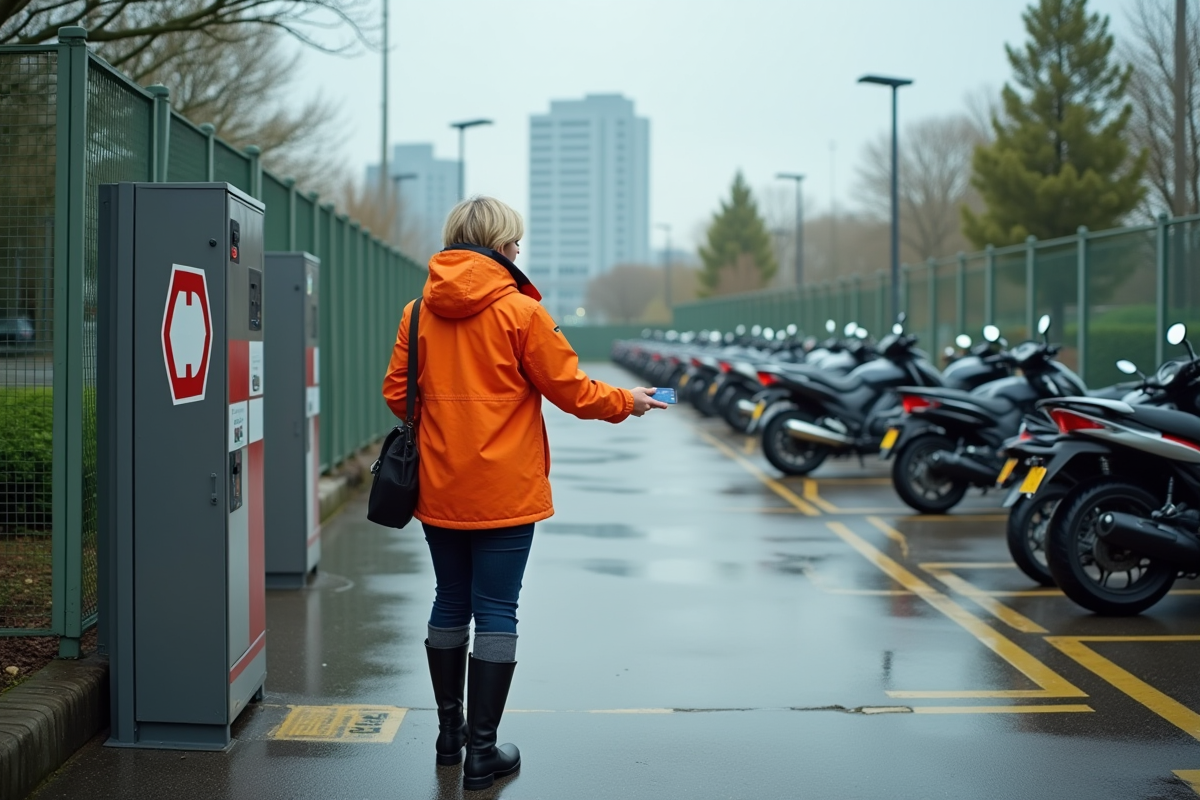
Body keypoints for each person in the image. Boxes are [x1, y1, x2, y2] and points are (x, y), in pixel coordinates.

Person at [382, 196, 667, 791]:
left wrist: (447, 428)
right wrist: (628, 401)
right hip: (505, 491)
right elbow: (572, 391)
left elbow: (396, 393)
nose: (518, 250)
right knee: (496, 609)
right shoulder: (521, 312)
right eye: (515, 242)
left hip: (439, 485)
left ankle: (449, 736)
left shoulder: (418, 312)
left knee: (449, 600)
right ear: (501, 246)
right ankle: (482, 753)